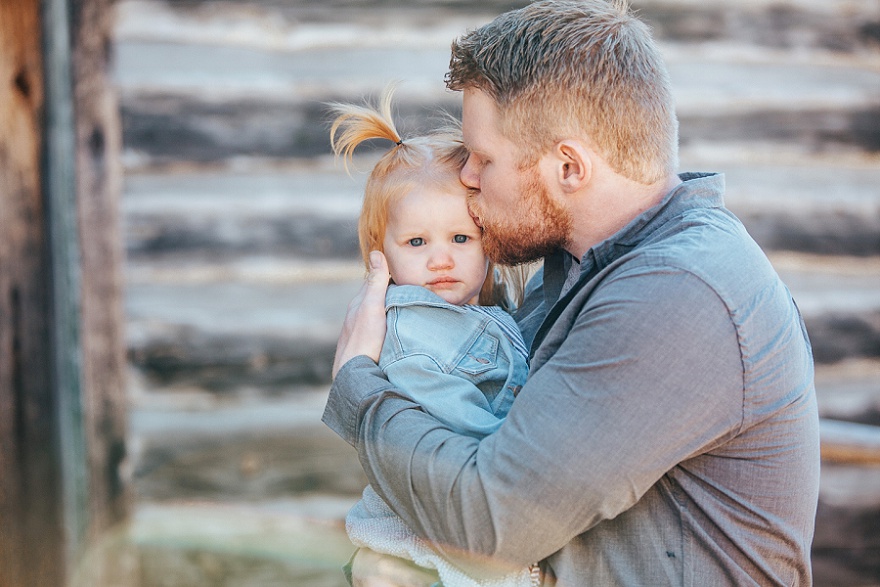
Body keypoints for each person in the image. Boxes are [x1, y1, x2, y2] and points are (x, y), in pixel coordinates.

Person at [324, 1, 821, 585]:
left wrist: (358, 385)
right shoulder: (582, 265)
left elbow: (491, 525)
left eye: (485, 158)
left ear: (568, 167)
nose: (467, 177)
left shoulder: (678, 296)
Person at [328, 89, 538, 587]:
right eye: (417, 242)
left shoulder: (481, 312)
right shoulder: (415, 327)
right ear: (382, 253)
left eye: (460, 238)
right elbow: (458, 441)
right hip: (423, 537)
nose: (440, 259)